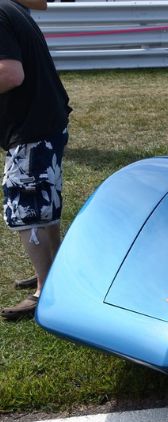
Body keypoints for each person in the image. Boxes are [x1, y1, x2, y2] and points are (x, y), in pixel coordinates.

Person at [0, 0, 71, 320]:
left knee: (26, 209)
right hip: (45, 119)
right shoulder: (9, 6)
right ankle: (54, 271)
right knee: (44, 204)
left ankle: (45, 290)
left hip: (32, 126)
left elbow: (10, 74)